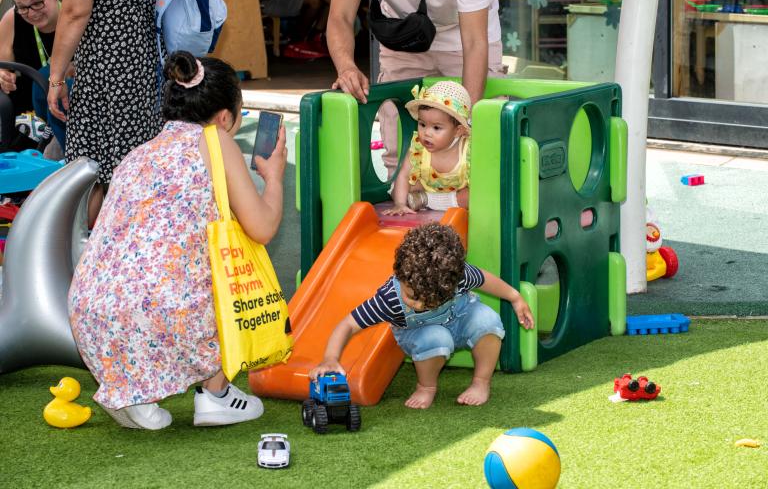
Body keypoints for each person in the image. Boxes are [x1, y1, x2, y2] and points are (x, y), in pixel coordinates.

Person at [68, 51, 288, 430]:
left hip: (91, 313)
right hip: (168, 314)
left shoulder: (137, 154)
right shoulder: (216, 141)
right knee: (221, 275)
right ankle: (216, 393)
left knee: (162, 273)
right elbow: (262, 227)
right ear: (224, 117)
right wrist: (274, 178)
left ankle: (134, 394)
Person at [310, 223, 534, 409]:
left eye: (426, 300)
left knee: (488, 320)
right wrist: (330, 357)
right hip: (419, 333)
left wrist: (515, 297)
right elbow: (348, 324)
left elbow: (485, 279)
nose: (416, 304)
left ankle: (481, 382)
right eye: (411, 295)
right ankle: (426, 386)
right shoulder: (390, 298)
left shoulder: (459, 275)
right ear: (400, 275)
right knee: (436, 338)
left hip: (461, 317)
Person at [327, 0, 506, 175]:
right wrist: (346, 67)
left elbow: (474, 42)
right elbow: (340, 16)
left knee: (478, 143)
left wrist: (467, 120)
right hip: (404, 34)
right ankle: (402, 199)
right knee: (400, 148)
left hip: (466, 38)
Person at [46, 0, 164, 225]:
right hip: (142, 58)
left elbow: (75, 11)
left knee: (88, 169)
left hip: (105, 68)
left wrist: (55, 78)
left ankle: (94, 254)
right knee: (136, 164)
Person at [384, 80, 471, 215]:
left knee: (473, 195)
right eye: (422, 124)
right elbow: (404, 175)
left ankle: (427, 200)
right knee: (399, 188)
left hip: (456, 195)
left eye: (436, 128)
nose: (426, 133)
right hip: (426, 187)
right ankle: (419, 198)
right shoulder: (418, 148)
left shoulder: (468, 151)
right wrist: (400, 204)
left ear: (458, 131)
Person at [0, 0, 66, 150]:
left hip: (65, 112)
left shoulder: (74, 17)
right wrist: (3, 77)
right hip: (25, 123)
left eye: (37, 3)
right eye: (22, 7)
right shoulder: (12, 20)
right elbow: (2, 69)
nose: (31, 12)